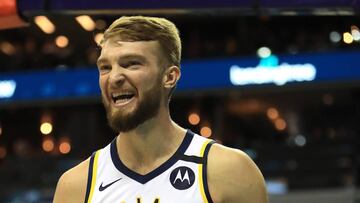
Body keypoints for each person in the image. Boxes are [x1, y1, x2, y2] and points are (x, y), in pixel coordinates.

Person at [53, 16, 269, 203]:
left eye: (131, 64)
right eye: (105, 67)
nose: (114, 77)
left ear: (170, 76)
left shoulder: (229, 171)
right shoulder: (76, 187)